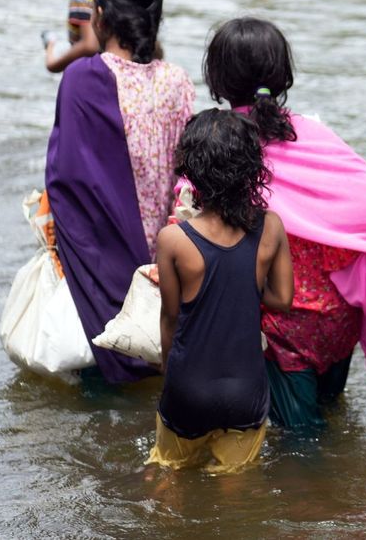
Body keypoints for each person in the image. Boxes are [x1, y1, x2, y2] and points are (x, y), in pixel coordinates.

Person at [199, 17, 366, 428]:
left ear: (217, 79)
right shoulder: (313, 134)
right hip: (340, 318)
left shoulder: (219, 146)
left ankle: (318, 495)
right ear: (282, 76)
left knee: (301, 452)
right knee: (333, 418)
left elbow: (199, 233)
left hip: (287, 326)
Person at [45, 0, 194, 384]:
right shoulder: (178, 81)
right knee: (160, 369)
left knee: (102, 371)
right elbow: (188, 170)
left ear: (101, 16)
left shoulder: (81, 78)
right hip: (167, 257)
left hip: (108, 254)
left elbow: (67, 177)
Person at [149, 109, 293, 473]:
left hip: (189, 390)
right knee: (234, 492)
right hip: (245, 392)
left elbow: (170, 318)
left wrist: (169, 372)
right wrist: (242, 286)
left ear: (192, 171)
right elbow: (283, 300)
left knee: (168, 475)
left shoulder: (173, 240)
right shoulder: (271, 227)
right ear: (252, 169)